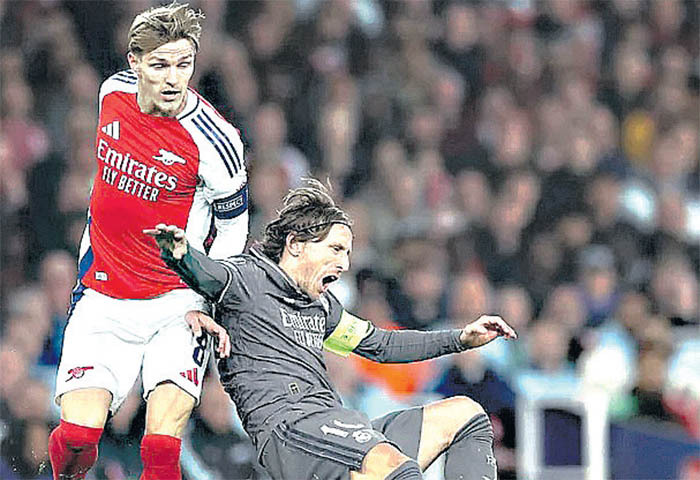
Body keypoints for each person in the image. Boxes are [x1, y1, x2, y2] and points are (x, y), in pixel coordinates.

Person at [146, 179, 517, 480]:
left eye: (348, 253)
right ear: (295, 245)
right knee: (389, 465)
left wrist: (460, 339)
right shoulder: (247, 279)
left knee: (466, 415)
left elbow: (381, 345)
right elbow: (208, 275)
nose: (344, 263)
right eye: (336, 249)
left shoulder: (322, 306)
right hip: (288, 431)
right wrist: (180, 255)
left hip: (335, 428)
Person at [49, 3, 248, 480]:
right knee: (77, 439)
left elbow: (234, 228)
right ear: (134, 62)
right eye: (160, 65)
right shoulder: (111, 94)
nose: (173, 79)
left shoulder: (218, 141)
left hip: (177, 302)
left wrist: (209, 298)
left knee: (160, 448)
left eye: (184, 64)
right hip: (103, 295)